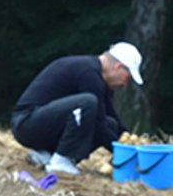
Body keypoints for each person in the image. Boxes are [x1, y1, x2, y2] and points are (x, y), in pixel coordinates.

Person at [11, 42, 142, 175]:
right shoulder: (88, 73)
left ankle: (47, 156)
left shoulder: (97, 77)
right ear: (118, 67)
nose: (125, 84)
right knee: (87, 102)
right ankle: (61, 162)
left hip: (45, 124)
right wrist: (120, 151)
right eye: (127, 77)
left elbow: (110, 117)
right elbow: (98, 124)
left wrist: (130, 141)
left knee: (111, 124)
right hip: (26, 123)